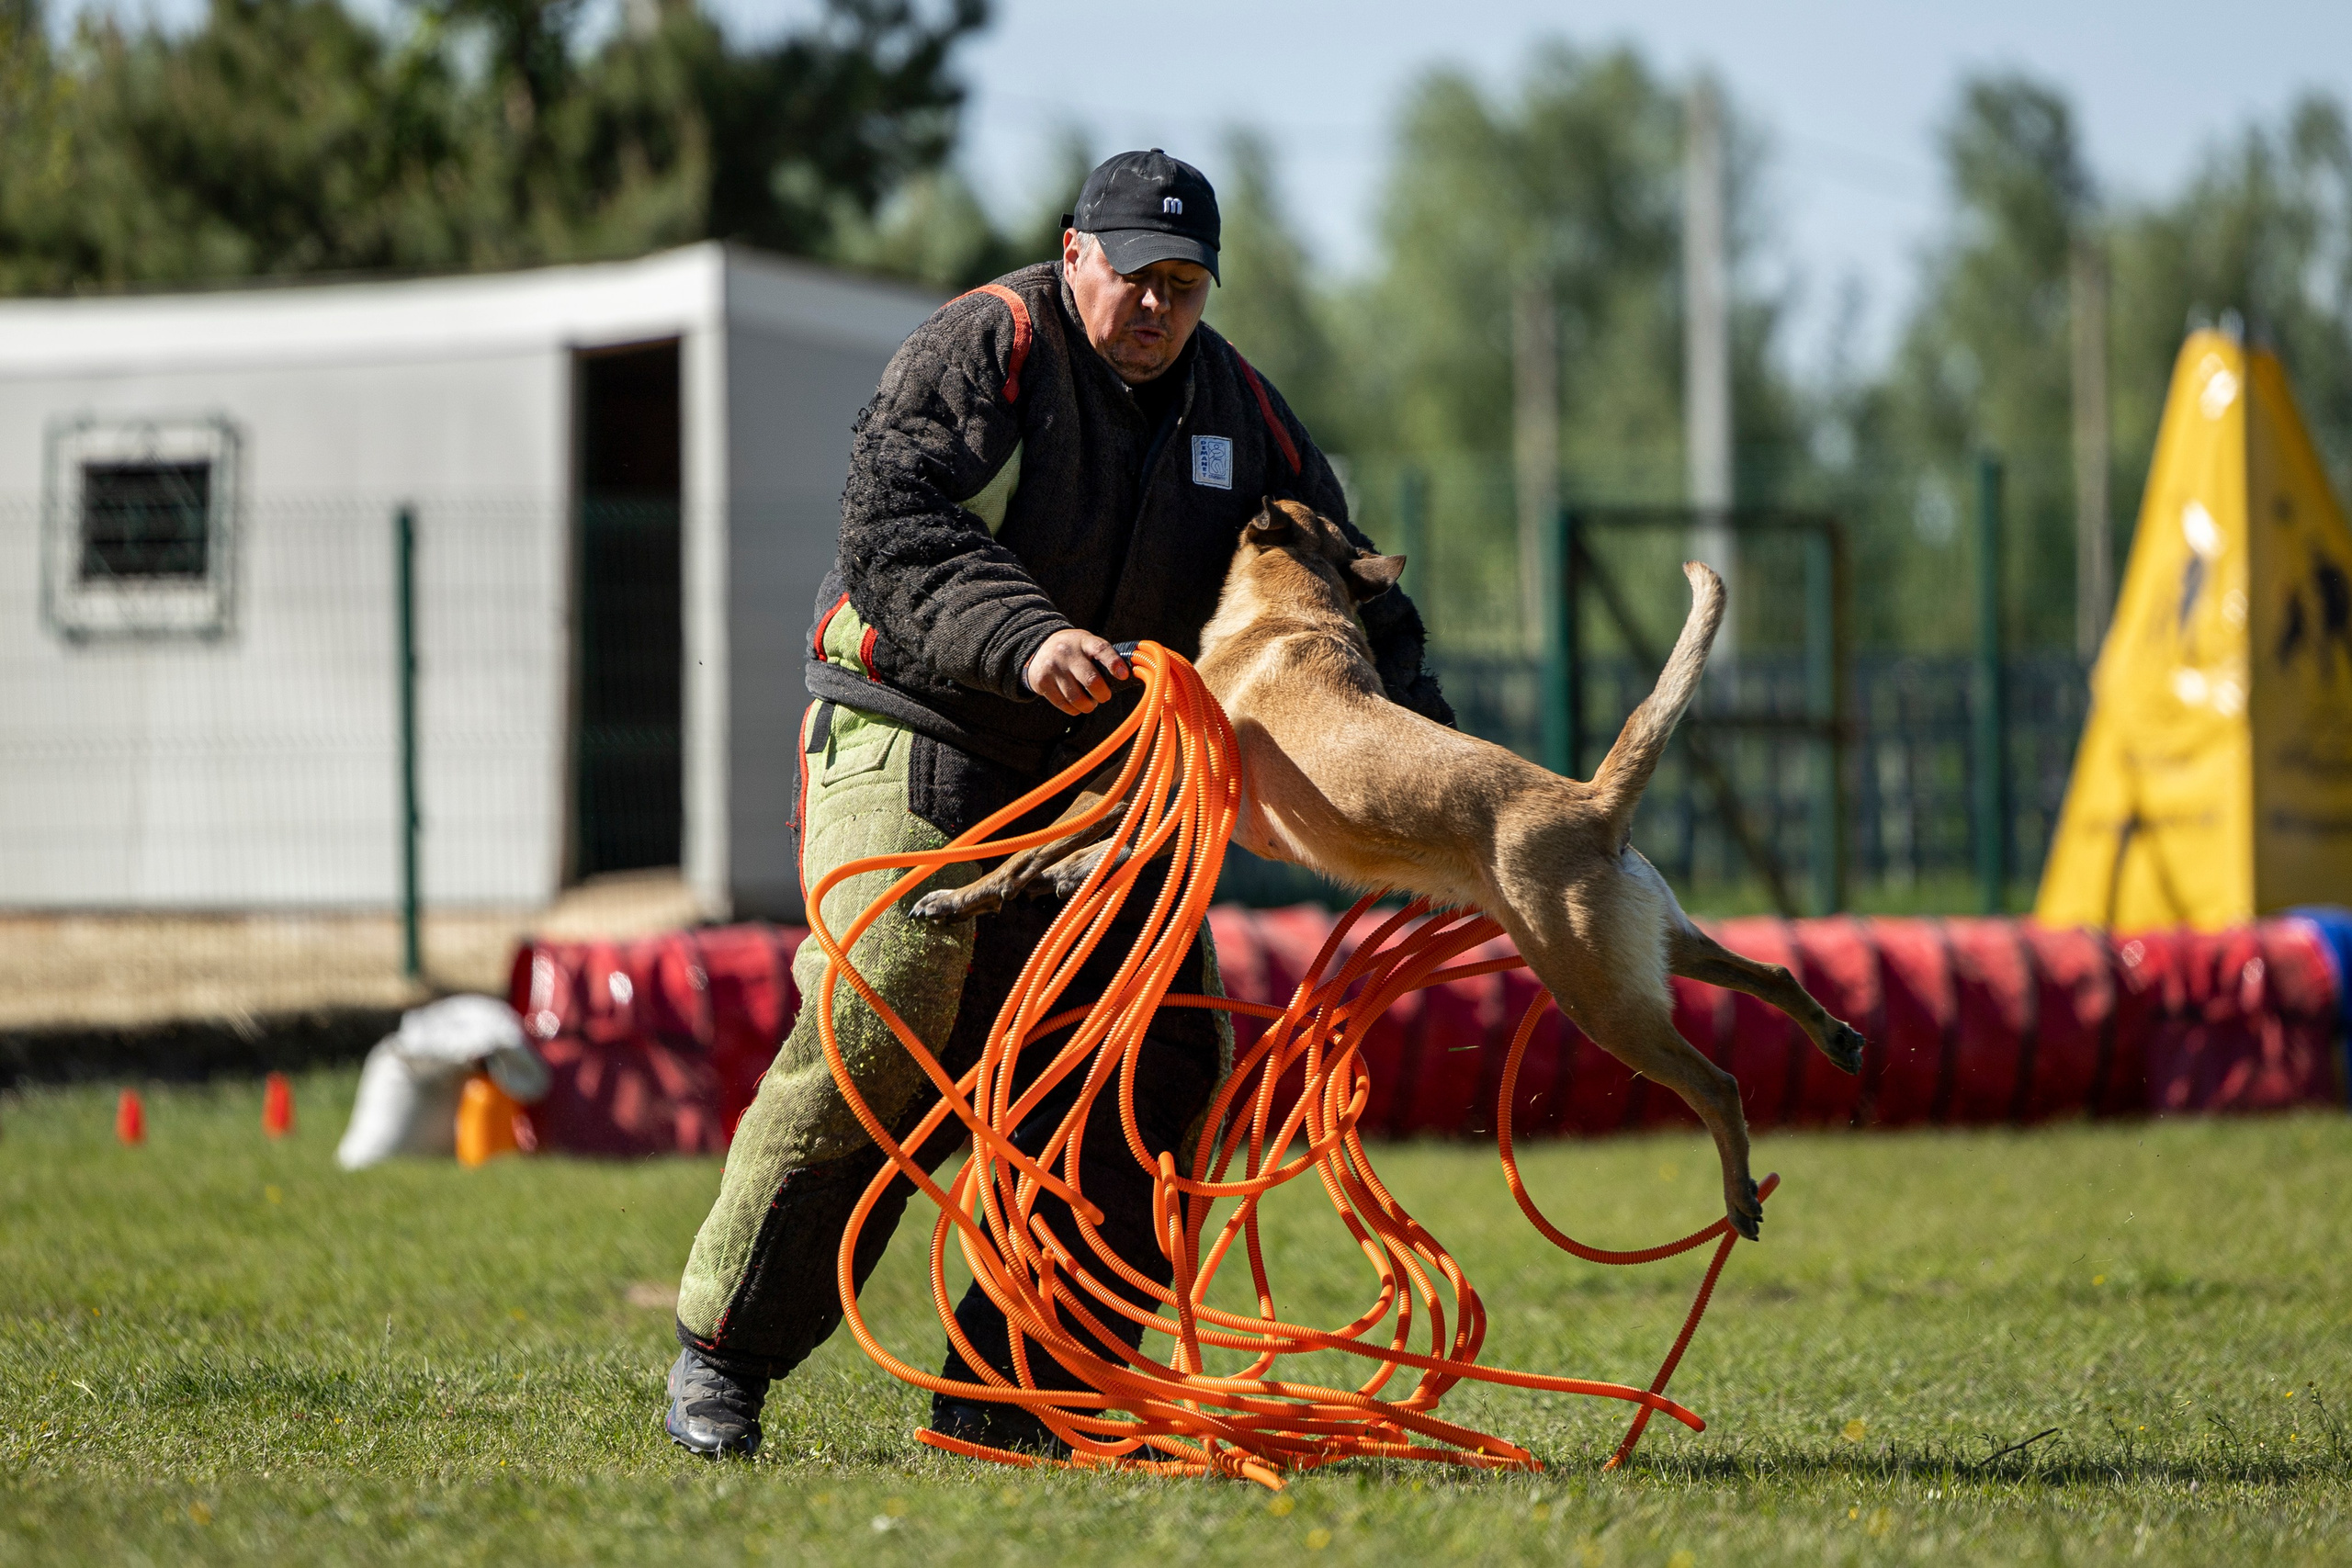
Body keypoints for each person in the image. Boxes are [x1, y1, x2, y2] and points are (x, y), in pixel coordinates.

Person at [662, 149, 1453, 1459]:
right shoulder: (990, 343)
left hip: (1109, 773)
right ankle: (723, 1356)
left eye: (1184, 285)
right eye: (1135, 274)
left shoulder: (1243, 410)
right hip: (919, 717)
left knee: (1164, 1062)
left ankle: (1019, 1390)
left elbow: (1348, 583)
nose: (1156, 305)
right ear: (1075, 253)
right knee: (892, 1000)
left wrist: (1439, 772)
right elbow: (893, 516)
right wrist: (1026, 639)